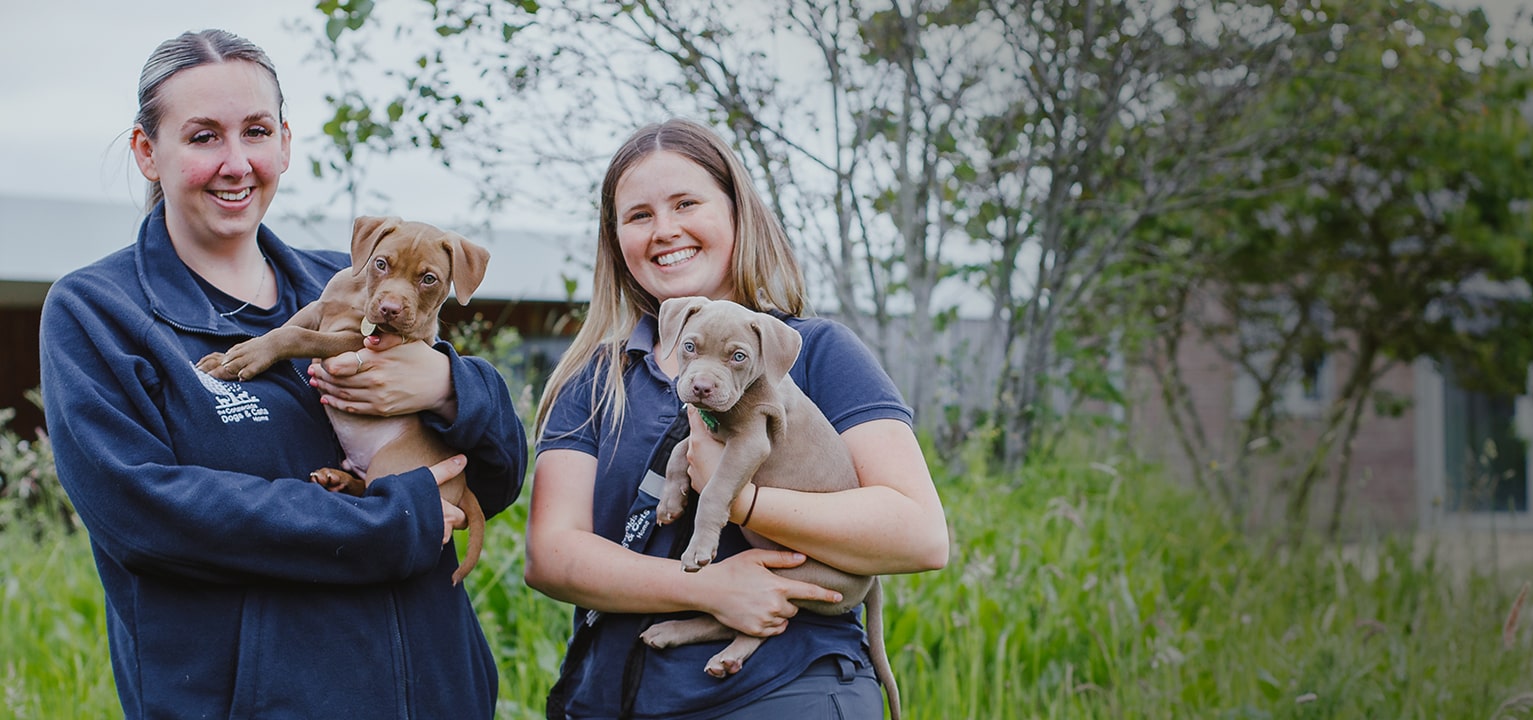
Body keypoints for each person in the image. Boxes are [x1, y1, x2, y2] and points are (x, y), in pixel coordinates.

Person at [38, 29, 527, 719]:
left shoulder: (357, 279)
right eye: (204, 136)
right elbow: (145, 514)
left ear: (286, 144)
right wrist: (389, 521)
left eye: (256, 132)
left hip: (436, 696)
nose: (236, 162)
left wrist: (452, 385)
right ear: (149, 153)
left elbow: (496, 480)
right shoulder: (100, 312)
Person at [525, 118, 950, 719]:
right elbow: (552, 556)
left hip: (787, 690)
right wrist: (708, 587)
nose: (665, 229)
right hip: (613, 700)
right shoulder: (596, 381)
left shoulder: (816, 351)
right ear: (615, 238)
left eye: (686, 203)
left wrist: (741, 502)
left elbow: (919, 534)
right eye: (639, 215)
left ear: (736, 212)